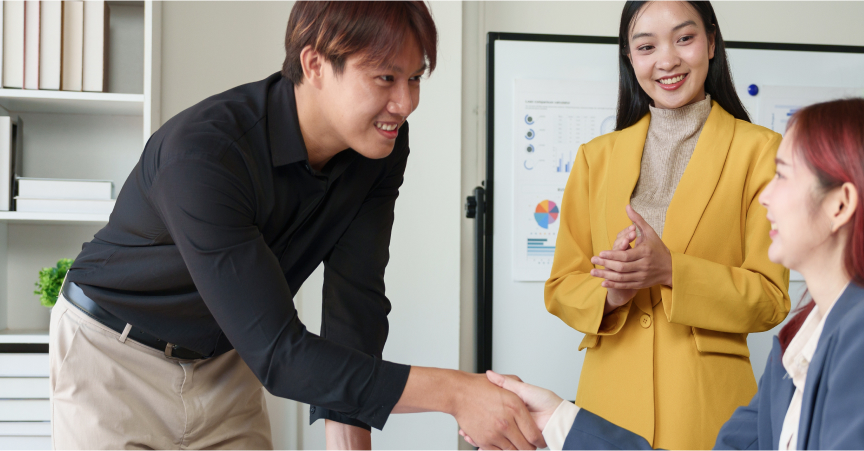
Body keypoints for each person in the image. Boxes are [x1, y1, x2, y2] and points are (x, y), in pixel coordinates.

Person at [49, 2, 543, 450]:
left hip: (225, 362)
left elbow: (356, 302)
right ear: (315, 64)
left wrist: (350, 444)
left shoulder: (380, 148)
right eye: (385, 78)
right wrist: (456, 393)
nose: (406, 102)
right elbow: (280, 355)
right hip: (113, 357)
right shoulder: (205, 153)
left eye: (415, 78)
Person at [469, 97, 864, 450]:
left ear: (840, 204)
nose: (763, 196)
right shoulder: (802, 339)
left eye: (782, 175)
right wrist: (557, 417)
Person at [543, 1, 789, 448]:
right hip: (608, 406)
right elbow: (560, 286)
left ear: (711, 42)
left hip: (711, 411)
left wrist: (671, 271)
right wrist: (612, 295)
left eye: (685, 38)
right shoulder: (594, 159)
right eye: (646, 46)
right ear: (629, 57)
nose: (667, 60)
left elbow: (771, 299)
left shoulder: (763, 153)